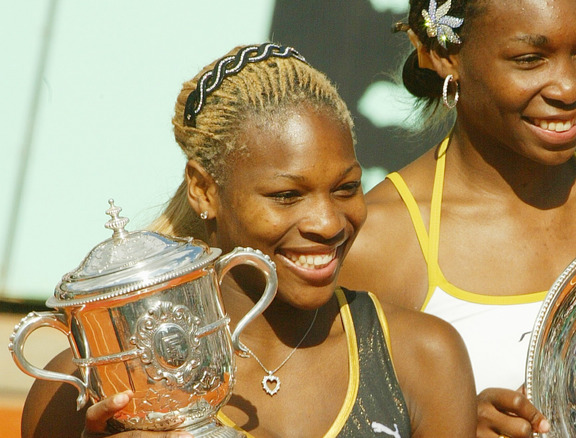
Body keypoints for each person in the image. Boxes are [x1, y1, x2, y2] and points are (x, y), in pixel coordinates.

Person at [21, 43, 477, 438]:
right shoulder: (83, 388)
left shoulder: (422, 359)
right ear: (204, 189)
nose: (328, 222)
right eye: (286, 195)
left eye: (346, 188)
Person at [338, 0, 576, 437]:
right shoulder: (377, 244)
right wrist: (446, 423)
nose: (569, 88)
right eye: (530, 59)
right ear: (443, 55)